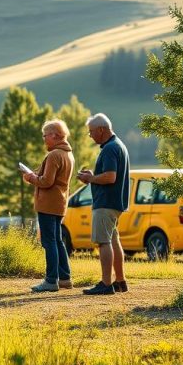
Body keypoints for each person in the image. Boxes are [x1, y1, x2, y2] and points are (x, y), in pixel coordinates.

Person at [77, 113, 130, 295]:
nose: (90, 135)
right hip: (116, 203)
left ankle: (106, 284)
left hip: (105, 203)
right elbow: (109, 174)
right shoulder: (119, 145)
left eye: (91, 131)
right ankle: (120, 281)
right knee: (114, 241)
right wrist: (93, 176)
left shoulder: (109, 149)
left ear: (101, 129)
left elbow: (110, 176)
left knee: (103, 242)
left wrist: (90, 178)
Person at [23, 119, 75, 293]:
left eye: (45, 136)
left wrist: (30, 177)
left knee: (49, 241)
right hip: (60, 204)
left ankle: (51, 280)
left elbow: (46, 181)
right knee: (58, 240)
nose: (44, 139)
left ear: (54, 135)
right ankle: (65, 278)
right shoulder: (68, 154)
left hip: (48, 204)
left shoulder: (54, 155)